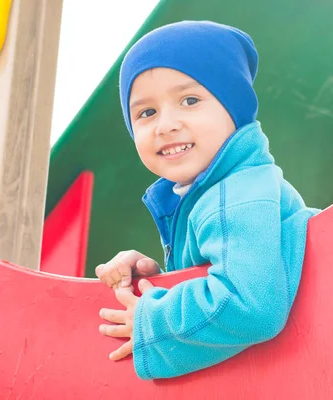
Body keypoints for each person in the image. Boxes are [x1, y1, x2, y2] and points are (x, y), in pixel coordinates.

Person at [95, 20, 319, 380]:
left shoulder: (237, 193)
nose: (165, 125)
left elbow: (250, 306)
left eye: (190, 100)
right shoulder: (211, 193)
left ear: (235, 109)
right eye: (146, 112)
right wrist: (159, 281)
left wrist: (154, 321)